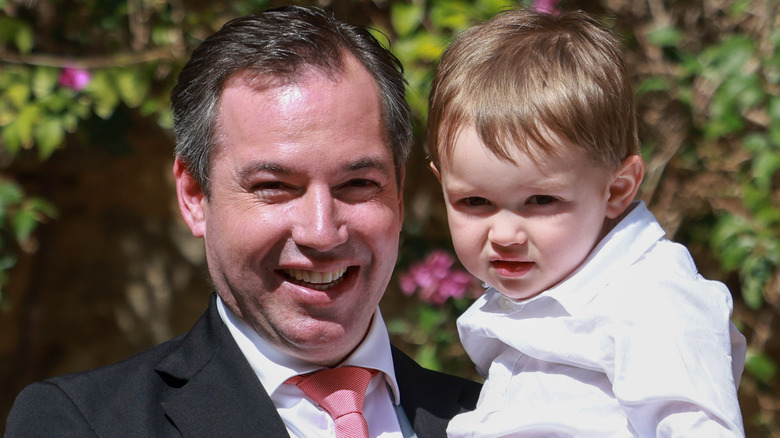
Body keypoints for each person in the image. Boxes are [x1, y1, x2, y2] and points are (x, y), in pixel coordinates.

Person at [6, 6, 481, 437]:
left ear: (398, 193)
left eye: (358, 184)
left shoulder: (498, 419)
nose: (321, 230)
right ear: (194, 196)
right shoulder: (87, 424)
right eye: (274, 186)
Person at [426, 8, 746, 437]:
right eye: (475, 201)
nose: (503, 235)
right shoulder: (545, 292)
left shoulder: (652, 298)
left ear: (616, 190)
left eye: (541, 200)